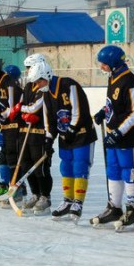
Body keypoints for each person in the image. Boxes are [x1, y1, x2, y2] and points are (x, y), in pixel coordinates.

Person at [90, 45, 134, 231]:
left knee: (129, 171)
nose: (101, 67)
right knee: (113, 171)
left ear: (113, 63)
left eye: (104, 64)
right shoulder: (113, 78)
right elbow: (115, 105)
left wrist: (118, 132)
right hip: (115, 135)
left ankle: (133, 211)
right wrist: (103, 112)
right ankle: (114, 207)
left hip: (130, 138)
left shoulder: (129, 81)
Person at [9, 59, 58, 215]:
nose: (28, 70)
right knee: (26, 164)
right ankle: (35, 193)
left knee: (40, 167)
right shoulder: (29, 85)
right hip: (26, 130)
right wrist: (23, 111)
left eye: (30, 67)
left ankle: (45, 196)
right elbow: (23, 104)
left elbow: (36, 107)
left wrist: (22, 109)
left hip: (39, 132)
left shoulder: (45, 86)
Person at [50, 67, 98, 222]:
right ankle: (67, 200)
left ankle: (78, 202)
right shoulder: (45, 91)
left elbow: (79, 110)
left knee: (80, 166)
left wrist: (72, 128)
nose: (37, 84)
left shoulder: (69, 85)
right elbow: (48, 116)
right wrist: (48, 137)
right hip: (65, 136)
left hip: (82, 134)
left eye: (39, 80)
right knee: (66, 167)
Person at [0, 65, 24, 203]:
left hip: (15, 127)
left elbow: (12, 109)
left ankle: (17, 189)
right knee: (3, 157)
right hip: (6, 127)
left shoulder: (14, 88)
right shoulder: (2, 86)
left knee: (13, 158)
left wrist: (1, 115)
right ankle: (5, 186)